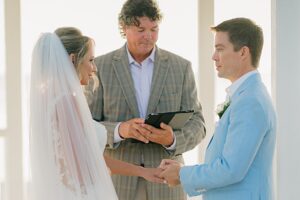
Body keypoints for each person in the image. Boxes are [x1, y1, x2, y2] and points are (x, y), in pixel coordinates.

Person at [85, 0, 206, 199]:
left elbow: (198, 124)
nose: (148, 36)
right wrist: (119, 131)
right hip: (117, 183)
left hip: (166, 182)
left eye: (154, 29)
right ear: (124, 28)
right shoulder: (100, 67)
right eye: (140, 29)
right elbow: (86, 126)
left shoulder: (181, 67)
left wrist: (173, 140)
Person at [29, 27, 163, 200]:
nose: (94, 68)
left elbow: (88, 157)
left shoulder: (47, 97)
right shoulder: (67, 101)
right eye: (90, 60)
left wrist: (143, 172)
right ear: (72, 59)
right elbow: (82, 171)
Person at [159, 18, 277, 200]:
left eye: (220, 49)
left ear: (243, 52)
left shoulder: (250, 101)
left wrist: (182, 174)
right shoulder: (246, 95)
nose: (214, 56)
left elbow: (231, 169)